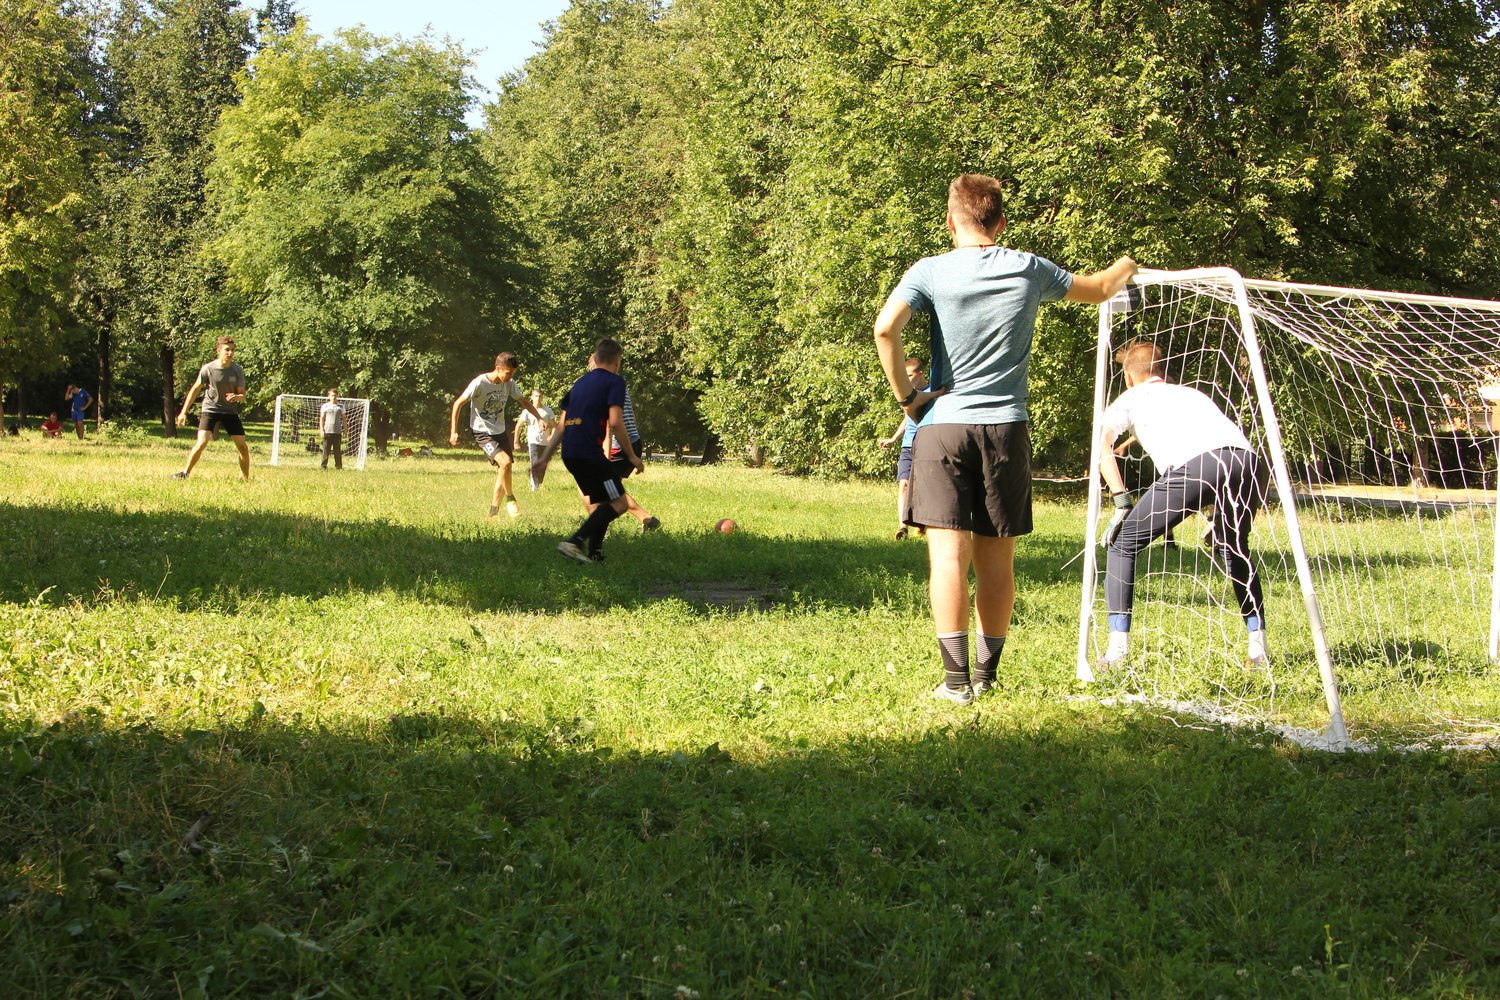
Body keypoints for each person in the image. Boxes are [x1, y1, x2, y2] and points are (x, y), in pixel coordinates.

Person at [873, 172, 1138, 705]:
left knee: (949, 558)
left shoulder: (929, 271)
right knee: (998, 562)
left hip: (942, 427)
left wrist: (908, 399)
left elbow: (885, 330)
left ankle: (955, 685)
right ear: (1001, 222)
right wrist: (1128, 265)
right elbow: (1102, 287)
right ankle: (987, 677)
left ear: (952, 221)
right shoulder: (1029, 268)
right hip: (1005, 429)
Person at [1095, 339, 1268, 670]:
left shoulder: (1128, 397)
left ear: (1129, 377)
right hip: (1247, 463)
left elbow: (1102, 449)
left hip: (1200, 468)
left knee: (1121, 544)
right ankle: (1258, 649)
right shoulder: (1191, 394)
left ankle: (1117, 652)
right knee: (1233, 549)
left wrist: (1121, 502)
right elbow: (1210, 447)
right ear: (1161, 371)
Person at [534, 338, 644, 563]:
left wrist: (544, 458)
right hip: (590, 453)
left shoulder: (579, 383)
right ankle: (574, 541)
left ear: (595, 358)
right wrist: (632, 456)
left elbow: (562, 425)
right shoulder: (615, 382)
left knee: (603, 503)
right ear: (617, 360)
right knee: (620, 503)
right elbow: (615, 422)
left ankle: (595, 554)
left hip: (571, 454)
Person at [449, 352, 544, 518]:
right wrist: (453, 431)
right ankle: (501, 506)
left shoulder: (509, 383)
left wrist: (539, 417)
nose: (510, 376)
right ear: (498, 368)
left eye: (513, 373)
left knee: (506, 468)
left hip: (499, 431)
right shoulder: (479, 383)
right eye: (508, 373)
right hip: (482, 432)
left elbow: (524, 402)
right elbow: (458, 403)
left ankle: (501, 508)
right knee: (505, 463)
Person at [172, 336, 251, 480]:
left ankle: (245, 479)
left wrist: (237, 397)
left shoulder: (237, 370)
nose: (230, 353)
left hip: (230, 411)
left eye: (232, 350)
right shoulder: (208, 368)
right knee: (201, 442)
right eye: (227, 350)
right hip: (210, 409)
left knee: (243, 447)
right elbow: (195, 389)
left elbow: (243, 396)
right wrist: (183, 412)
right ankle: (185, 473)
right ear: (219, 350)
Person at [877, 357, 931, 540]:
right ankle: (903, 527)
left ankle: (924, 522)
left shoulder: (934, 392)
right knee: (904, 484)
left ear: (920, 374)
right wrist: (894, 438)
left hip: (927, 444)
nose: (906, 380)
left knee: (925, 487)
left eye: (910, 375)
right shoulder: (909, 393)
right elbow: (907, 417)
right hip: (908, 445)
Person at [513, 388, 556, 491]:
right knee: (535, 463)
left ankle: (538, 481)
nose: (538, 398)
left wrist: (552, 436)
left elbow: (554, 426)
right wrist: (516, 441)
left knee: (543, 465)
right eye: (536, 396)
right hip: (533, 441)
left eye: (540, 396)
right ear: (531, 397)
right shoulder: (527, 411)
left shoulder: (547, 411)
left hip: (545, 442)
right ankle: (534, 487)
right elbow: (518, 426)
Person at [319, 389, 345, 470]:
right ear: (329, 396)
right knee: (326, 450)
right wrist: (322, 430)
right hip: (327, 431)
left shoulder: (341, 406)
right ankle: (323, 466)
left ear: (337, 396)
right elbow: (322, 419)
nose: (334, 397)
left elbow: (344, 419)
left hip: (337, 432)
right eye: (332, 395)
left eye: (335, 395)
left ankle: (339, 467)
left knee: (337, 450)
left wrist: (345, 430)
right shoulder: (325, 406)